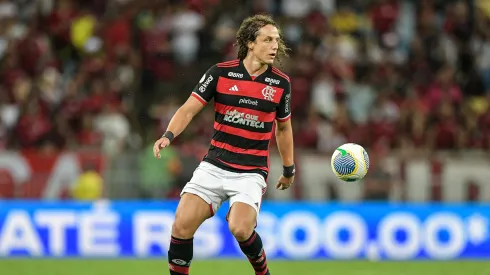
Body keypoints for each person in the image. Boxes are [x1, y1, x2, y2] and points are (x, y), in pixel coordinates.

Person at [153, 14, 295, 275]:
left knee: (240, 229)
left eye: (277, 40)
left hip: (250, 171)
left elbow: (283, 128)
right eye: (268, 39)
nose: (275, 45)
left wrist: (288, 169)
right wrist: (168, 135)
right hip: (214, 165)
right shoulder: (220, 73)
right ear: (250, 43)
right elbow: (187, 110)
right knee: (181, 225)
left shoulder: (280, 83)